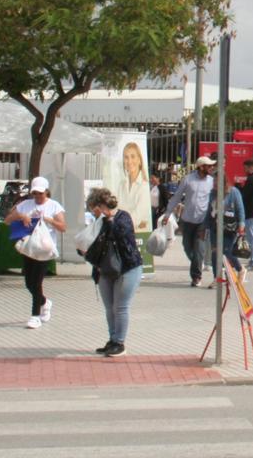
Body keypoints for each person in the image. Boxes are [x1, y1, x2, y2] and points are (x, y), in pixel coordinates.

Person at [85, 187, 142, 357]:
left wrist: (110, 222)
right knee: (109, 308)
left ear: (101, 206)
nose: (93, 213)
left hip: (127, 268)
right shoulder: (97, 222)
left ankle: (120, 342)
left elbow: (125, 239)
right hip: (105, 269)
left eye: (94, 209)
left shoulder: (122, 217)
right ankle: (112, 339)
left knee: (121, 306)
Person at [5, 176, 66, 329]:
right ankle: (45, 302)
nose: (38, 196)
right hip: (29, 247)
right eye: (35, 193)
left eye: (41, 193)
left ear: (46, 191)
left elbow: (63, 227)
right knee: (29, 282)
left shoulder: (54, 206)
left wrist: (49, 220)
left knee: (37, 281)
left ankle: (35, 315)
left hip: (45, 248)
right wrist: (22, 216)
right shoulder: (25, 205)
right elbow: (7, 220)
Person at [161, 156, 217, 287]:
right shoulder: (188, 179)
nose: (211, 168)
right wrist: (167, 214)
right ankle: (197, 262)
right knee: (187, 247)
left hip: (203, 221)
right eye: (209, 166)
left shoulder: (212, 182)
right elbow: (177, 197)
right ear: (201, 167)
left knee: (199, 248)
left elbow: (216, 199)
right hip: (187, 220)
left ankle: (196, 276)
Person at [119, 141, 151, 232]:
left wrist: (119, 221)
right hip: (122, 234)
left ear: (139, 160)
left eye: (132, 156)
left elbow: (137, 217)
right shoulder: (121, 185)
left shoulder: (144, 186)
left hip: (139, 236)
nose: (129, 161)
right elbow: (117, 210)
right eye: (126, 157)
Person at [222, 178, 246, 281]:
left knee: (228, 251)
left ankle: (240, 269)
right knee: (220, 251)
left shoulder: (234, 192)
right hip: (218, 226)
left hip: (231, 226)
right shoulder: (213, 192)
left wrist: (241, 224)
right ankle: (228, 273)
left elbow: (240, 209)